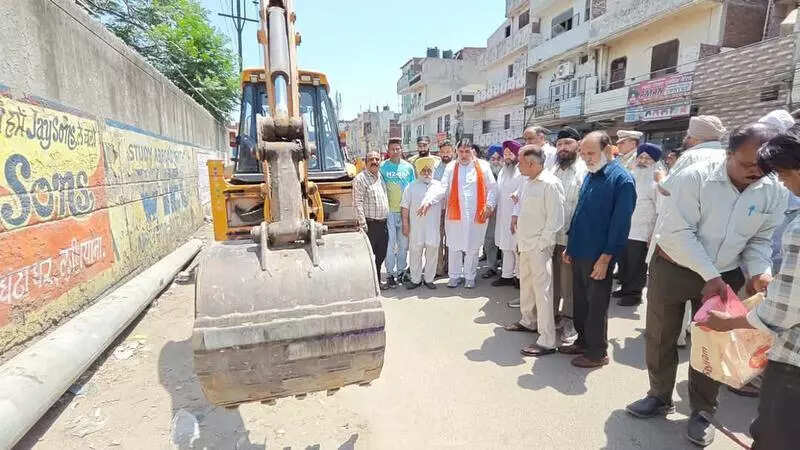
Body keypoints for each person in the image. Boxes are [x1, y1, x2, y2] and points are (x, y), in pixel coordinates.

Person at [625, 123, 787, 447]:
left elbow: (760, 239)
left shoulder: (773, 189)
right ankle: (659, 396)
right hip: (674, 266)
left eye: (764, 165)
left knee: (712, 344)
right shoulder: (694, 176)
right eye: (746, 164)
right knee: (661, 335)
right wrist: (709, 275)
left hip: (725, 274)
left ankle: (703, 411)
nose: (756, 172)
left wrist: (760, 272)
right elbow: (677, 233)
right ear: (727, 154)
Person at [702, 127, 800, 450]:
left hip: (793, 363)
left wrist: (729, 322)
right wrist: (766, 279)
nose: (781, 182)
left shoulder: (796, 226)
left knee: (775, 434)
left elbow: (781, 313)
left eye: (783, 174)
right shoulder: (699, 178)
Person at [560, 131, 636, 368]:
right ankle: (583, 342)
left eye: (591, 153)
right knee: (581, 302)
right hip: (580, 250)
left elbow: (620, 225)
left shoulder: (622, 180)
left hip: (599, 255)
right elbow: (580, 213)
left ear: (607, 149)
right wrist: (571, 246)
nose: (586, 158)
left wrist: (605, 259)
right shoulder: (592, 175)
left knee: (596, 305)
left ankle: (597, 352)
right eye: (583, 154)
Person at [504, 146, 565, 356]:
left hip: (539, 247)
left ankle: (547, 340)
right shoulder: (528, 182)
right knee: (527, 286)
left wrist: (541, 244)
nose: (517, 165)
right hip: (525, 243)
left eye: (520, 162)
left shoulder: (550, 184)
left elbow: (555, 220)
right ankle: (528, 321)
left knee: (543, 292)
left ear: (531, 163)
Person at [418, 139, 497, 289]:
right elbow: (442, 188)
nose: (464, 155)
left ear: (472, 151)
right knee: (454, 246)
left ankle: (469, 277)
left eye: (467, 151)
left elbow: (493, 187)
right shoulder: (451, 167)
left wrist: (489, 205)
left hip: (476, 214)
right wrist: (429, 200)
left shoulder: (483, 166)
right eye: (461, 151)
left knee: (473, 247)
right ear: (456, 151)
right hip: (455, 215)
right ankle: (454, 276)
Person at [549, 127, 587, 341]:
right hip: (550, 237)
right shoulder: (553, 170)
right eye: (560, 144)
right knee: (551, 280)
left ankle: (570, 321)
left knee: (570, 284)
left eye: (567, 144)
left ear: (577, 145)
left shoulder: (583, 171)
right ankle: (551, 316)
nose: (563, 148)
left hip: (571, 239)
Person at [613, 143, 661, 307]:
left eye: (648, 158)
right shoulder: (630, 175)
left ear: (654, 161)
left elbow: (660, 210)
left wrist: (652, 235)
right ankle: (625, 288)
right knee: (624, 262)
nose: (643, 160)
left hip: (642, 231)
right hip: (625, 228)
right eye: (641, 157)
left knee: (636, 264)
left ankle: (634, 294)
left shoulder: (657, 182)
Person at [401, 156, 443, 290]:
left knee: (432, 252)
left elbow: (444, 207)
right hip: (416, 228)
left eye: (428, 170)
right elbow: (405, 207)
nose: (426, 173)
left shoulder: (439, 186)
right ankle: (415, 279)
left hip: (433, 227)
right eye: (423, 170)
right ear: (419, 171)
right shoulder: (411, 186)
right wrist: (405, 224)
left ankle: (429, 279)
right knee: (415, 253)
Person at [658, 115, 727, 195]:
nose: (685, 139)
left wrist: (660, 176)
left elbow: (666, 189)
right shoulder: (726, 156)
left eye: (688, 136)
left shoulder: (691, 156)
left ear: (696, 139)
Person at [380, 138, 416, 288]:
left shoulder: (408, 168)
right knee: (390, 245)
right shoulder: (383, 167)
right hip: (389, 212)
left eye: (398, 148)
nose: (395, 151)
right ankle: (390, 274)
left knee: (403, 245)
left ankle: (401, 272)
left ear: (402, 150)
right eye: (392, 149)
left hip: (405, 213)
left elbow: (413, 189)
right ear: (388, 151)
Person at [353, 151, 390, 289]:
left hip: (383, 223)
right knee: (368, 256)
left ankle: (377, 280)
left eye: (377, 159)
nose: (374, 161)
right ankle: (369, 284)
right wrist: (362, 224)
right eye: (371, 159)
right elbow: (358, 202)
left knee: (381, 255)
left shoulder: (380, 176)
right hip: (370, 224)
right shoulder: (360, 179)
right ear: (365, 161)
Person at [492, 140, 524, 288]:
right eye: (505, 154)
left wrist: (516, 195)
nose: (507, 156)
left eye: (510, 153)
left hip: (516, 215)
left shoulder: (521, 170)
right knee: (505, 247)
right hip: (502, 214)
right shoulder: (504, 170)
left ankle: (518, 277)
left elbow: (523, 189)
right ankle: (506, 275)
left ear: (517, 154)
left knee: (516, 248)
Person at [482, 144, 503, 279]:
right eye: (492, 158)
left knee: (505, 242)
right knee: (489, 240)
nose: (495, 161)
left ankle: (507, 269)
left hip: (505, 212)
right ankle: (491, 267)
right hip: (489, 212)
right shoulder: (485, 173)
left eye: (498, 158)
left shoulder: (509, 172)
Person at [435, 140, 455, 277]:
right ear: (439, 153)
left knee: (452, 240)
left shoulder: (458, 167)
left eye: (448, 151)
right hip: (438, 210)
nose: (446, 154)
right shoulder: (435, 168)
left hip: (454, 209)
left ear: (452, 152)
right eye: (443, 152)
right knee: (437, 239)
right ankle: (438, 269)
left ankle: (451, 267)